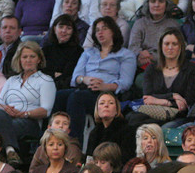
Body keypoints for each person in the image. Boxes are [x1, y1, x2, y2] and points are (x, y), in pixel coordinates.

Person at [55, 17, 136, 145]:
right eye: (97, 30)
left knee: (76, 98)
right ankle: (49, 139)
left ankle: (74, 144)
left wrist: (105, 86)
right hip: (84, 88)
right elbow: (75, 78)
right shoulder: (88, 52)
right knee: (58, 96)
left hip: (106, 95)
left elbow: (126, 83)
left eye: (104, 29)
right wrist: (85, 79)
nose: (100, 32)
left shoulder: (126, 55)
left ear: (114, 32)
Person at [0, 41, 56, 166]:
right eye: (24, 57)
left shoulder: (45, 80)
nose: (28, 60)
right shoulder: (11, 80)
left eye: (32, 56)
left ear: (39, 59)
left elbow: (45, 110)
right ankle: (11, 151)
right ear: (19, 60)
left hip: (30, 122)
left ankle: (5, 154)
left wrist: (24, 114)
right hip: (8, 118)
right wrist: (6, 108)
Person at [128, 28, 195, 127]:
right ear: (161, 46)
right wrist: (172, 96)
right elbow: (148, 98)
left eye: (174, 44)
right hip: (153, 112)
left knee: (144, 125)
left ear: (181, 46)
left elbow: (187, 102)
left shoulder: (192, 69)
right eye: (166, 44)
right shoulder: (151, 69)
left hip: (178, 115)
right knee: (131, 119)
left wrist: (160, 101)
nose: (170, 47)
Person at [130, 0, 181, 69]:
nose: (156, 5)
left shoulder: (173, 25)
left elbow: (177, 50)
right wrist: (140, 53)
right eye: (153, 1)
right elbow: (132, 47)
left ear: (166, 4)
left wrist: (152, 57)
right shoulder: (139, 23)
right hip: (143, 64)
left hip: (166, 64)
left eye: (161, 1)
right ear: (147, 4)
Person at [85, 92, 136, 162]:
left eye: (111, 103)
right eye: (102, 103)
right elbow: (89, 158)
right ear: (97, 109)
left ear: (116, 110)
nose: (106, 105)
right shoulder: (94, 133)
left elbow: (126, 159)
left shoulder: (127, 131)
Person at [42, 14, 85, 91]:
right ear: (55, 29)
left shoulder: (78, 51)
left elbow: (69, 74)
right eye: (61, 27)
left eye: (68, 28)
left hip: (65, 88)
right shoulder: (46, 50)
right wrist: (54, 74)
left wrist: (52, 74)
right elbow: (41, 70)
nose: (64, 31)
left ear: (73, 32)